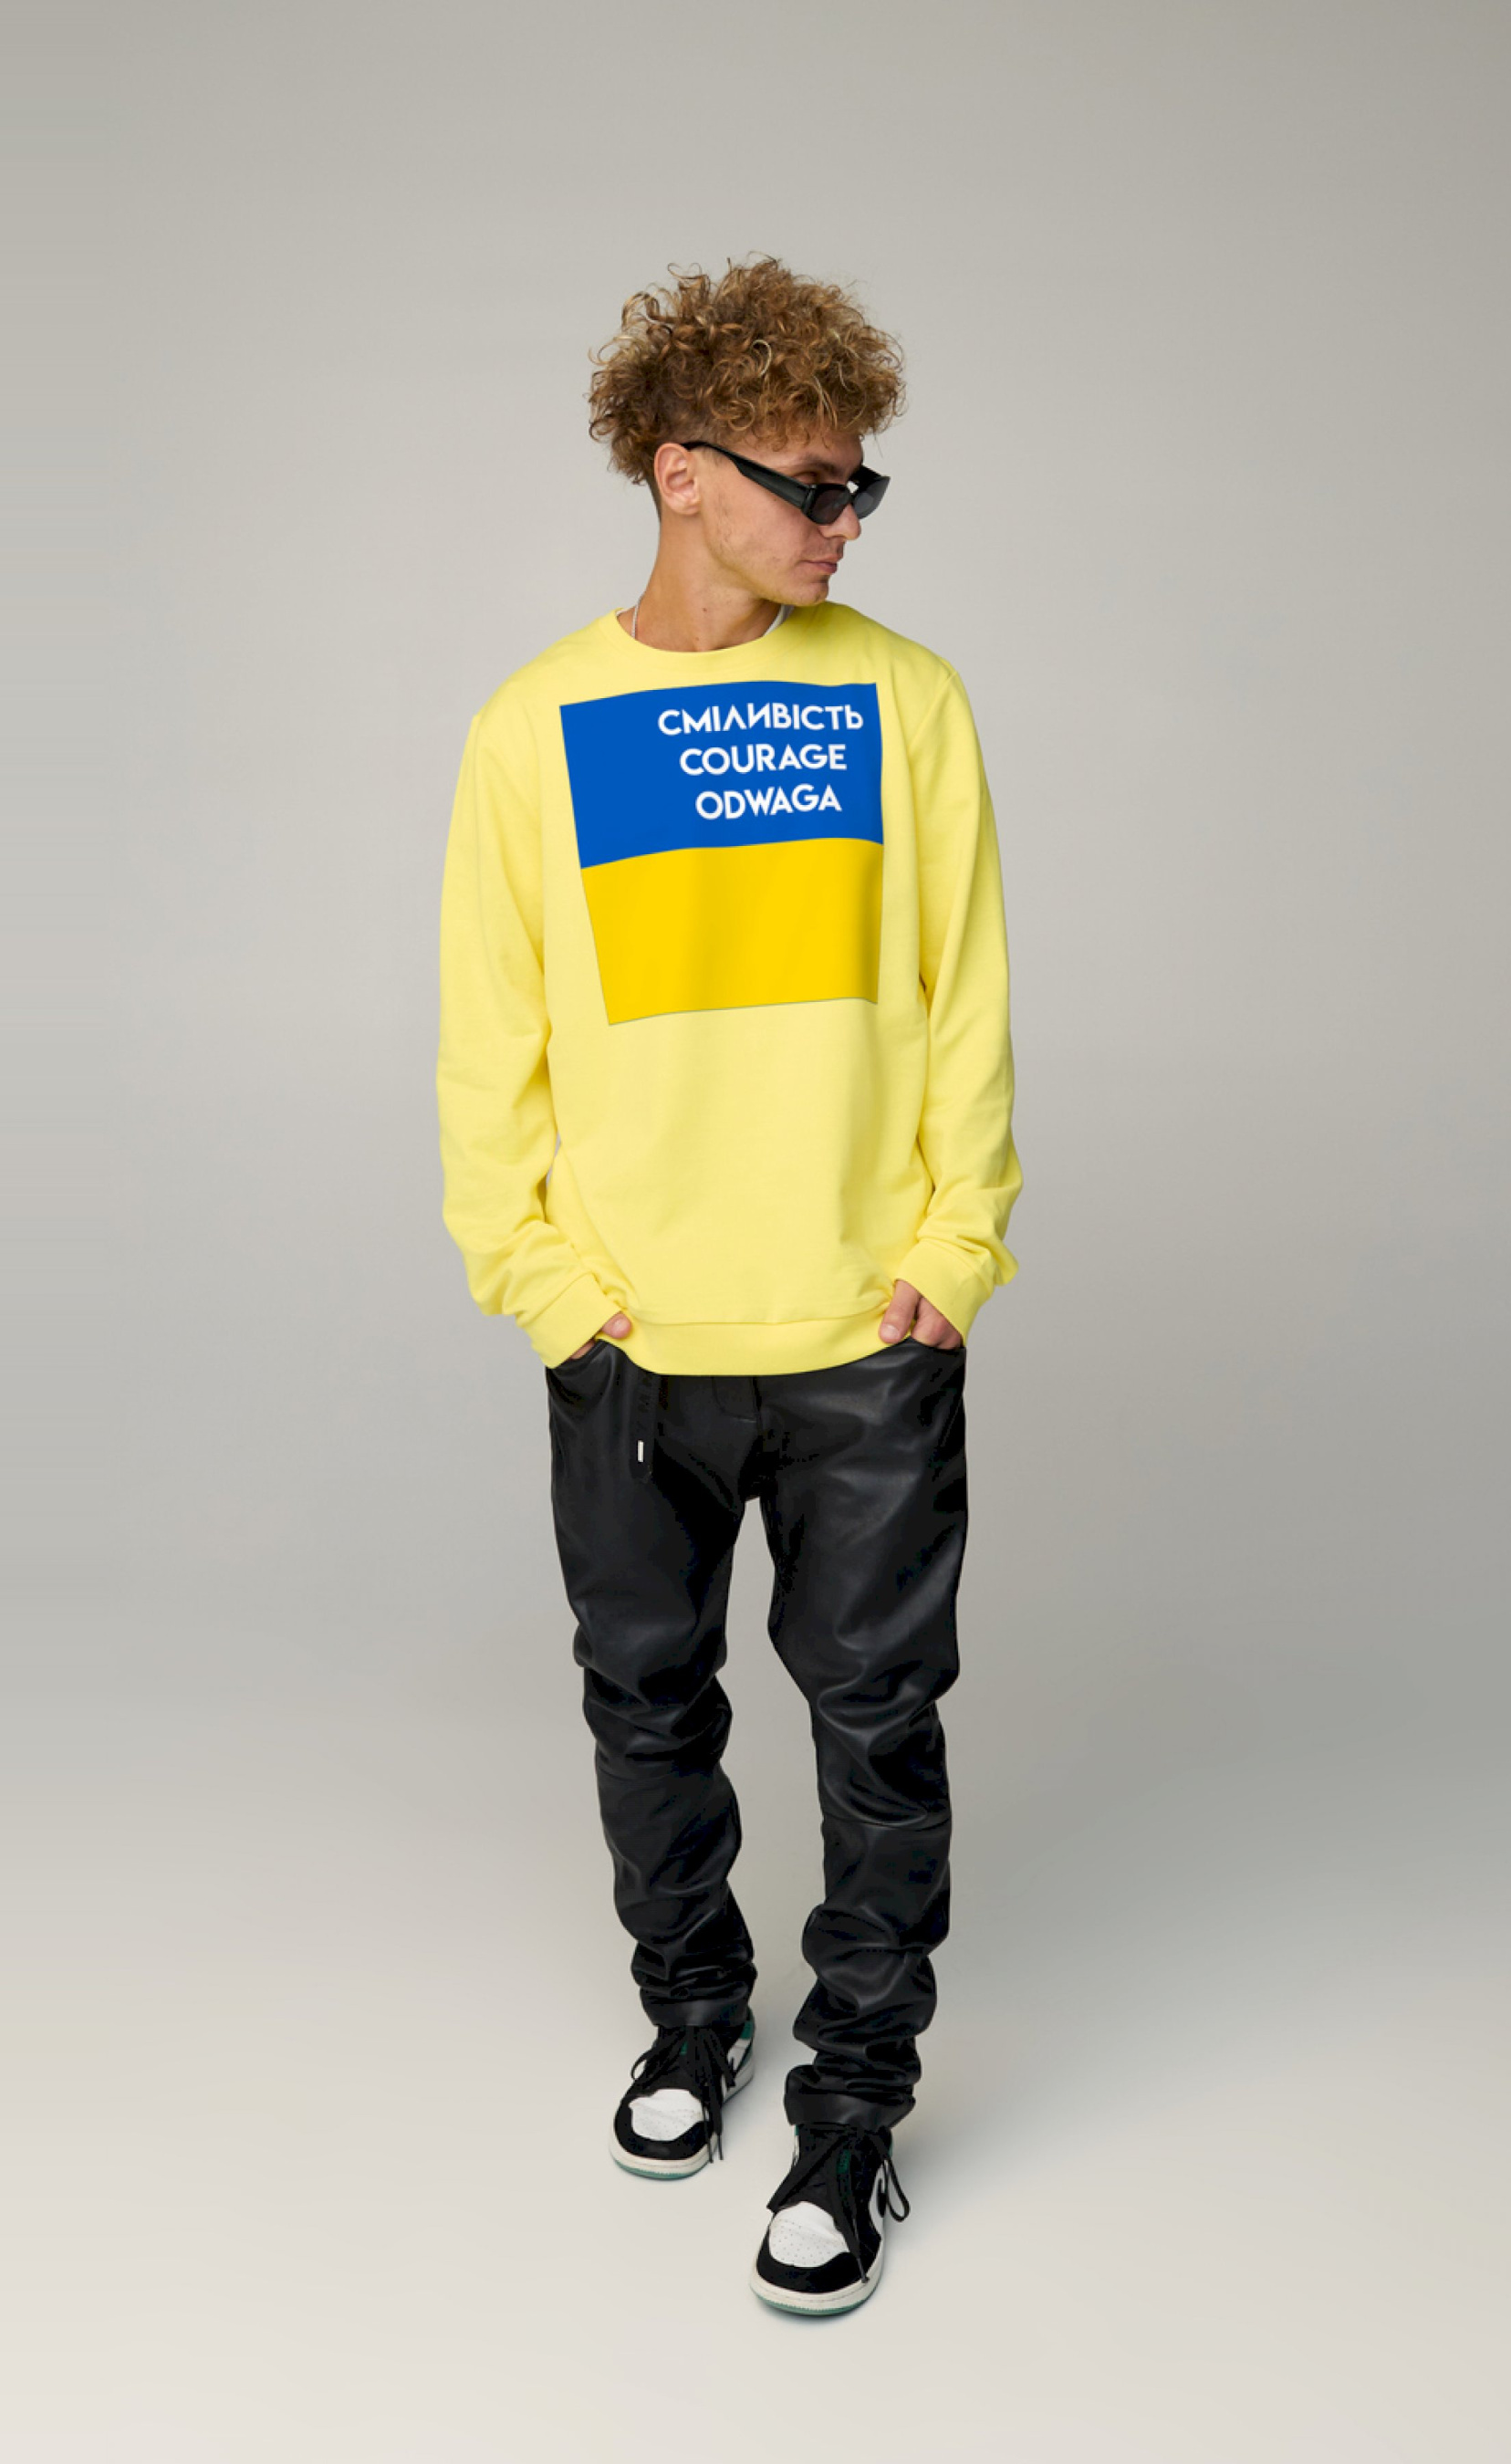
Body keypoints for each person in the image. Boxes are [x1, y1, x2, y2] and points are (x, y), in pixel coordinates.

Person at [436, 258, 1021, 2314]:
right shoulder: (534, 727)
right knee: (646, 1704)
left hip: (864, 1334)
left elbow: (965, 997)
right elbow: (488, 1047)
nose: (844, 523)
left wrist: (952, 1252)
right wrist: (546, 1288)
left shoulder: (904, 698)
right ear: (680, 473)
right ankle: (692, 2018)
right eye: (810, 487)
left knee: (878, 1726)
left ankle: (852, 2103)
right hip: (632, 1344)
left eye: (862, 487)